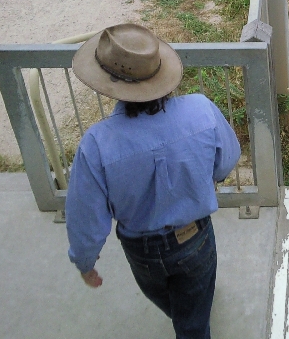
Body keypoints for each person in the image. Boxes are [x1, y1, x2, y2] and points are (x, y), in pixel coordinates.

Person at [65, 23, 240, 339]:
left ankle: (188, 315)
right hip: (195, 238)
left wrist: (85, 263)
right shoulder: (201, 110)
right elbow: (226, 160)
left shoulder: (96, 144)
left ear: (106, 83)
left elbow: (86, 217)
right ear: (161, 73)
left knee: (172, 304)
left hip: (141, 250)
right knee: (193, 319)